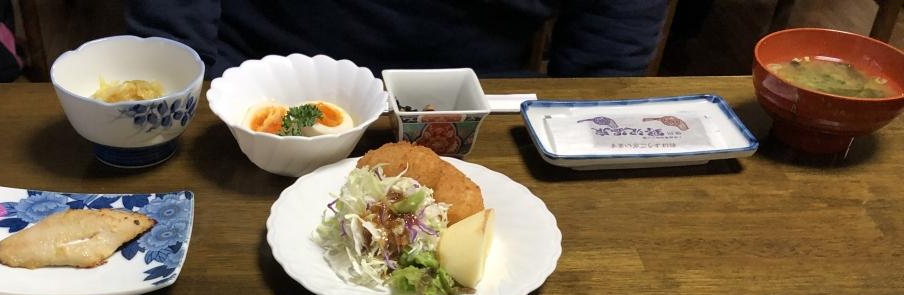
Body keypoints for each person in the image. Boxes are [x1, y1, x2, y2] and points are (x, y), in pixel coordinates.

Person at [125, 0, 669, 78]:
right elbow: (170, 29)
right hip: (254, 80)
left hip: (480, 98)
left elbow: (609, 57)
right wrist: (179, 86)